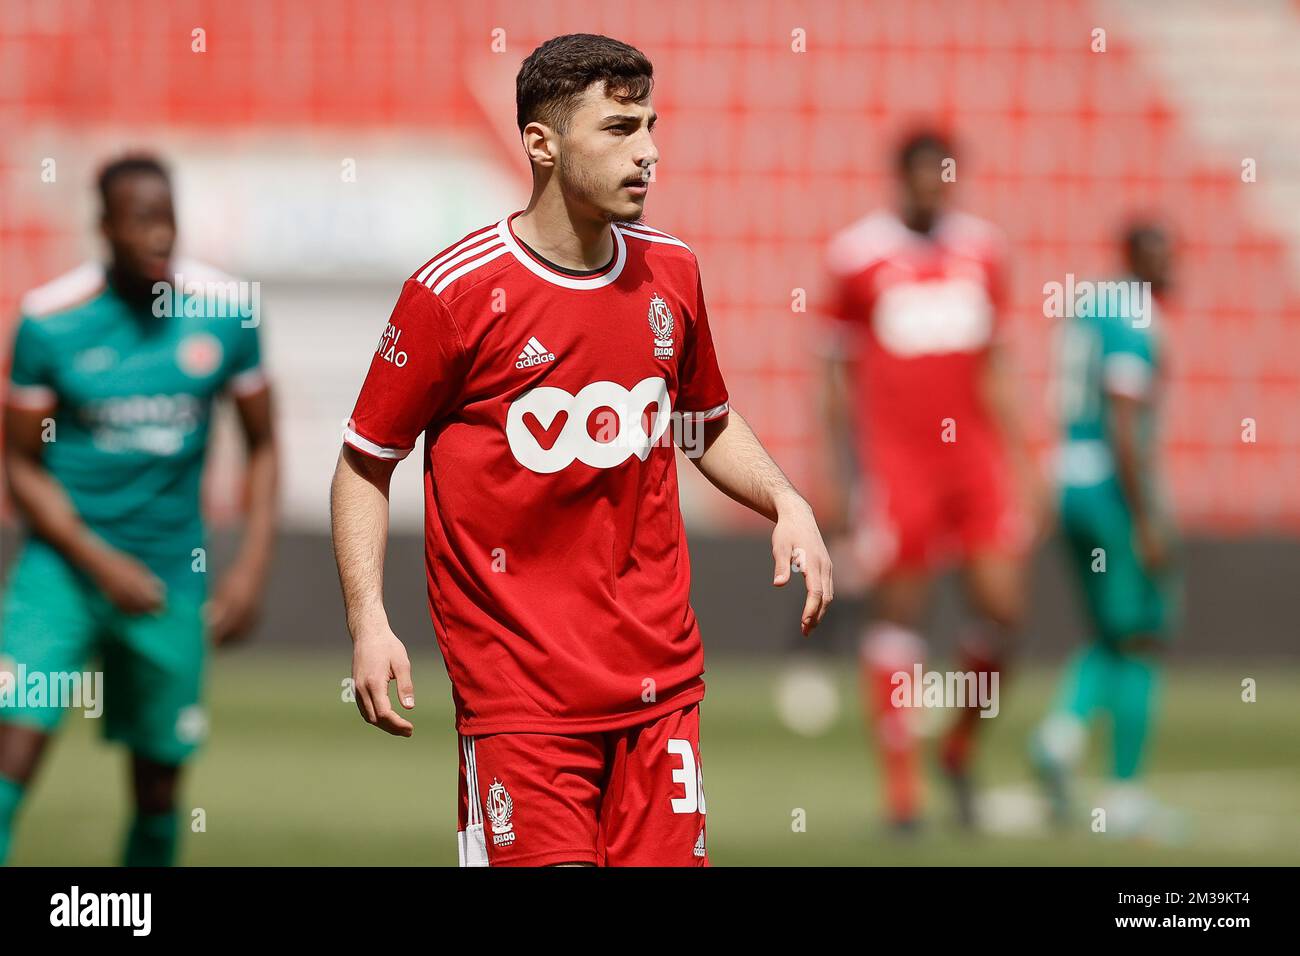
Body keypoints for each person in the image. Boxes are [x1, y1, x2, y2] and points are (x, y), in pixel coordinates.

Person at [330, 33, 833, 867]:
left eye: (651, 127)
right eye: (620, 129)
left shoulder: (671, 273)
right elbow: (365, 460)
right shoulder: (452, 294)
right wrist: (369, 622)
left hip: (659, 688)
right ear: (542, 144)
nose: (650, 153)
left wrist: (787, 500)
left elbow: (702, 422)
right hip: (520, 699)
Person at [0, 154, 278, 865]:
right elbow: (21, 467)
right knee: (12, 755)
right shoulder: (49, 321)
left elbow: (264, 444)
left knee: (158, 787)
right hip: (60, 569)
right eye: (140, 221)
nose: (158, 236)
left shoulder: (226, 313)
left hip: (166, 575)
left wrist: (248, 568)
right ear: (104, 228)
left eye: (167, 219)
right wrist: (98, 561)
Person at [822, 130, 1042, 830]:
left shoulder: (983, 251)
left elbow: (997, 367)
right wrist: (839, 479)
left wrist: (1024, 460)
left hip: (973, 462)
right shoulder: (858, 257)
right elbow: (834, 373)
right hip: (899, 462)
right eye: (919, 175)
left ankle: (956, 744)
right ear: (899, 179)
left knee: (1003, 612)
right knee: (900, 615)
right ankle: (903, 793)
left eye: (942, 175)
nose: (932, 187)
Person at [1031, 222, 1182, 839]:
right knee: (1143, 635)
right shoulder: (1133, 318)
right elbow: (1123, 422)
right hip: (1110, 491)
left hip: (1067, 479)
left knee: (1110, 632)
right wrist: (1146, 515)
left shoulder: (1092, 305)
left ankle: (1061, 736)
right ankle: (1123, 791)